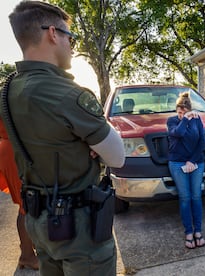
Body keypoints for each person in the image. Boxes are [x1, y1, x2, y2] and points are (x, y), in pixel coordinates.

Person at [2, 1, 125, 275]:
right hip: (78, 228)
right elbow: (117, 156)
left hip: (38, 219)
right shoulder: (68, 94)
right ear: (52, 34)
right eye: (70, 36)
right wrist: (92, 139)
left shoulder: (8, 90)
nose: (72, 43)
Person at [167, 92, 205, 249]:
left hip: (196, 162)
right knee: (185, 197)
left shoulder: (198, 120)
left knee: (196, 197)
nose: (181, 114)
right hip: (177, 163)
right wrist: (185, 119)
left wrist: (192, 160)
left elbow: (202, 141)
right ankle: (188, 232)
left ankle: (198, 231)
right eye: (179, 111)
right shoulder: (171, 121)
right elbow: (178, 133)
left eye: (184, 111)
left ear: (190, 109)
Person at [0, 118, 39, 270]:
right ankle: (27, 255)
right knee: (26, 205)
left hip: (14, 151)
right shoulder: (8, 96)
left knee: (28, 203)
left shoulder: (7, 95)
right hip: (14, 154)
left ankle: (30, 244)